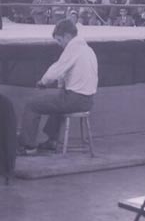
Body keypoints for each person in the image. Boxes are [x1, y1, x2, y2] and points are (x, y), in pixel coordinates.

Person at [18, 19, 98, 155]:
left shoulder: (73, 48)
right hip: (88, 100)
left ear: (67, 36)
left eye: (60, 41)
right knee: (57, 99)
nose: (60, 45)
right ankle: (52, 141)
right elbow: (66, 72)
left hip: (75, 99)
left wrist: (43, 82)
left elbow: (57, 69)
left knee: (31, 105)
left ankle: (28, 146)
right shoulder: (87, 49)